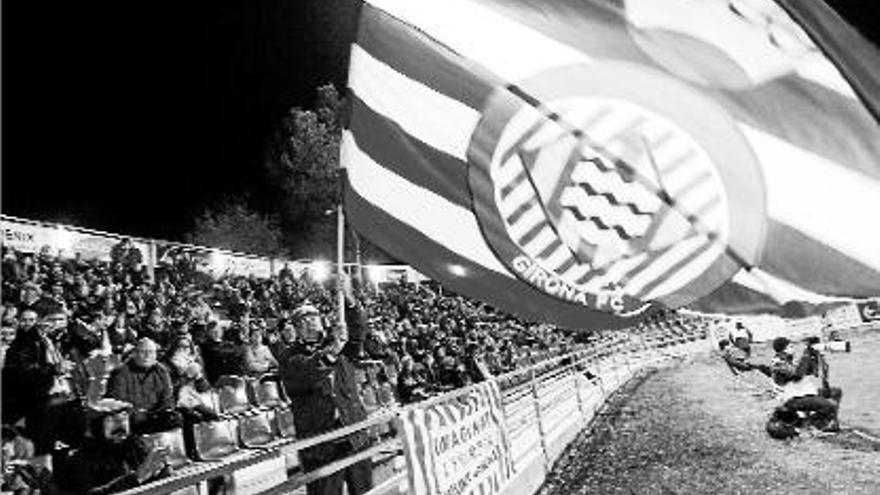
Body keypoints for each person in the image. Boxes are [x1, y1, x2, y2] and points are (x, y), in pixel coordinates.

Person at [279, 291, 373, 495]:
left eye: (314, 316)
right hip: (320, 440)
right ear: (297, 327)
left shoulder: (339, 344)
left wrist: (349, 302)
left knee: (364, 489)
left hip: (353, 430)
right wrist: (332, 350)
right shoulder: (290, 356)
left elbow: (358, 332)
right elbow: (309, 371)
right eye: (305, 319)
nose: (311, 321)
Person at [2, 297, 85, 454]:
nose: (58, 324)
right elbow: (22, 371)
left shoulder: (57, 338)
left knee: (77, 442)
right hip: (42, 401)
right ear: (42, 320)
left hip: (66, 396)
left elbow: (90, 342)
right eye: (54, 319)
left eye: (61, 320)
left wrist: (72, 323)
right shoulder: (24, 341)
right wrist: (53, 369)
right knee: (45, 449)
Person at [55, 398, 170, 494]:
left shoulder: (137, 447)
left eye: (124, 417)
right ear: (97, 426)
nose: (120, 423)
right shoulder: (80, 459)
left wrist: (162, 471)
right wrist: (136, 478)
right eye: (111, 418)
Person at [767, 337, 841, 436]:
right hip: (789, 399)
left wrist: (814, 356)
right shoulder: (778, 362)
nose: (793, 349)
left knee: (835, 392)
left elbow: (810, 371)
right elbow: (797, 374)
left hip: (799, 393)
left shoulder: (788, 359)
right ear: (783, 349)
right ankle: (808, 425)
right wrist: (807, 353)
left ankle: (824, 422)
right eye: (791, 347)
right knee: (830, 405)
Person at [105, 338, 181, 434]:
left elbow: (168, 398)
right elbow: (118, 402)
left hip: (154, 416)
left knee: (175, 418)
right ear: (135, 353)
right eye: (143, 352)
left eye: (150, 352)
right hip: (131, 419)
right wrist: (138, 414)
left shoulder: (161, 371)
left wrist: (160, 413)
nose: (147, 356)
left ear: (155, 355)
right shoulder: (121, 372)